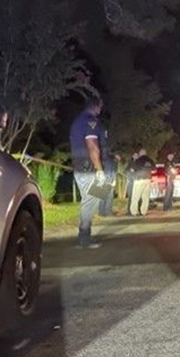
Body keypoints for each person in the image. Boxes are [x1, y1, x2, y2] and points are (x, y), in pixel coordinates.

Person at [69, 97, 107, 248]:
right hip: (89, 168)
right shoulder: (91, 121)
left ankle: (85, 233)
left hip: (80, 167)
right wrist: (99, 170)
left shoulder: (77, 122)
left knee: (93, 199)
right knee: (90, 201)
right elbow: (92, 147)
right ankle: (84, 236)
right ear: (97, 107)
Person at [130, 148, 155, 216]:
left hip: (139, 180)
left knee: (135, 197)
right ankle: (144, 211)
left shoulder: (138, 160)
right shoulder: (150, 160)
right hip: (148, 180)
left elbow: (132, 169)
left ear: (140, 153)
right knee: (145, 197)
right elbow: (154, 170)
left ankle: (134, 212)